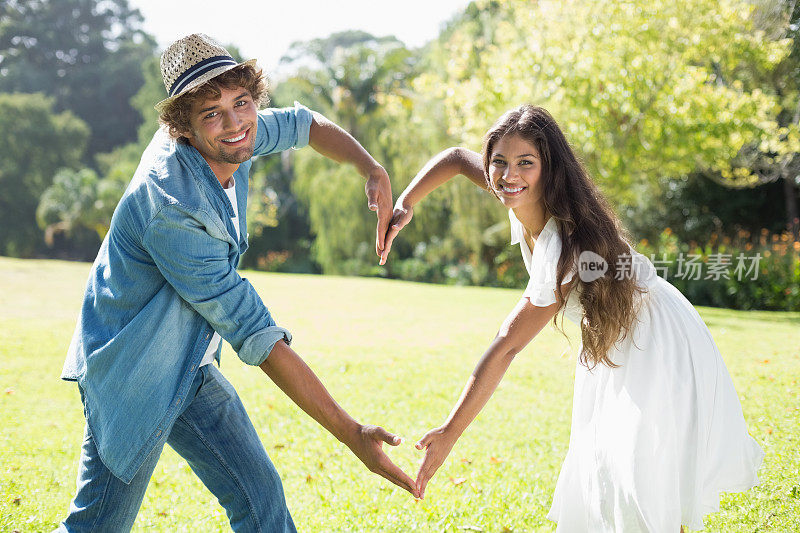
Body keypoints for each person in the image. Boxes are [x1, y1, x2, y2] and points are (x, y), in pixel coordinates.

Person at [57, 33, 417, 532]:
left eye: (241, 103)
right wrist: (351, 432)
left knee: (260, 497)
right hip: (133, 369)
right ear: (183, 126)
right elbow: (255, 333)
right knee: (96, 526)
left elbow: (302, 124)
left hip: (190, 365)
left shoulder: (236, 135)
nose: (234, 123)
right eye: (212, 112)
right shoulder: (173, 208)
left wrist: (371, 168)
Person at [380, 105, 764, 532]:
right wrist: (405, 202)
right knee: (606, 472)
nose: (509, 175)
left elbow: (507, 342)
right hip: (611, 338)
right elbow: (454, 158)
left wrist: (450, 431)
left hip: (654, 340)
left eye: (526, 163)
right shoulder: (512, 187)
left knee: (639, 477)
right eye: (499, 161)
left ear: (549, 168)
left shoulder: (562, 246)